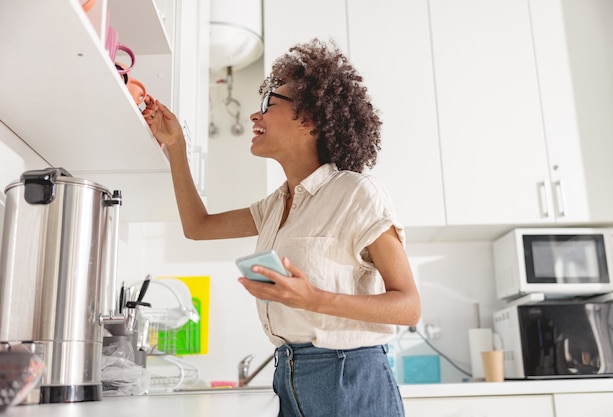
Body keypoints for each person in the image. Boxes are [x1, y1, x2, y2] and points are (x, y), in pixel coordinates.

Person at [142, 38, 421, 417]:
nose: (256, 117)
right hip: (289, 374)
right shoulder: (276, 204)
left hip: (349, 379)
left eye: (270, 106)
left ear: (309, 120)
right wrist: (175, 147)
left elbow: (408, 306)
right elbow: (198, 226)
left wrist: (313, 298)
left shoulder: (356, 193)